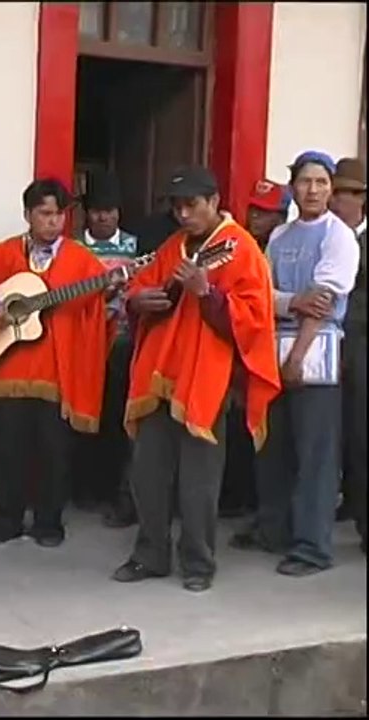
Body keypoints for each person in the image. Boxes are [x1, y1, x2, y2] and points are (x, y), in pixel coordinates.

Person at [112, 166, 281, 592]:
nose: (184, 214)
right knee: (148, 471)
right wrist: (139, 301)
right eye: (177, 207)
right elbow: (142, 287)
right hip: (159, 375)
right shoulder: (174, 246)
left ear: (214, 201)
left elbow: (255, 320)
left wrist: (207, 293)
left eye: (192, 205)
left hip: (207, 376)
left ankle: (199, 564)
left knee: (198, 480)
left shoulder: (241, 249)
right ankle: (150, 554)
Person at [0, 178, 113, 548]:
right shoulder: (4, 253)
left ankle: (49, 522)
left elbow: (95, 305)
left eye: (59, 214)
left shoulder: (81, 260)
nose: (53, 221)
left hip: (56, 370)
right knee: (6, 448)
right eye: (44, 213)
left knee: (54, 451)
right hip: (9, 369)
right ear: (27, 214)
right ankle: (5, 520)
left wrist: (111, 288)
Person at [231, 151, 359, 576]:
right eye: (305, 182)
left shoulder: (337, 236)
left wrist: (298, 356)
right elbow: (262, 296)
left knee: (315, 454)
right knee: (276, 447)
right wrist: (291, 302)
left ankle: (312, 547)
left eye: (321, 182)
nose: (313, 190)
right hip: (274, 348)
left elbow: (322, 302)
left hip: (313, 354)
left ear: (331, 189)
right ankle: (276, 530)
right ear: (293, 187)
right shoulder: (281, 237)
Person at [219, 180, 292, 519]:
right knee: (235, 424)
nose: (256, 217)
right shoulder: (235, 247)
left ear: (281, 216)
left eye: (265, 212)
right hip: (236, 347)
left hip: (275, 347)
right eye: (253, 210)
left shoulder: (283, 249)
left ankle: (256, 504)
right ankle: (234, 497)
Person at [74, 171, 139, 527]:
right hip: (85, 342)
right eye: (97, 211)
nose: (103, 218)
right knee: (85, 416)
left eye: (109, 211)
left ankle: (116, 491)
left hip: (123, 344)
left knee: (117, 418)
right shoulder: (74, 247)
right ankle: (85, 488)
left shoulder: (134, 246)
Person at [329, 157, 366, 540]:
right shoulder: (325, 236)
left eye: (345, 193)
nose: (336, 201)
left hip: (359, 343)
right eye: (334, 192)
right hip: (324, 341)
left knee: (359, 429)